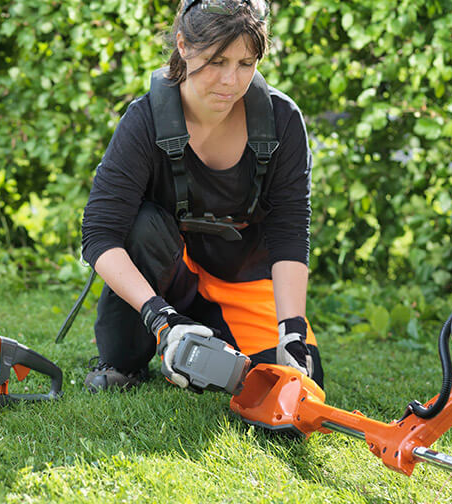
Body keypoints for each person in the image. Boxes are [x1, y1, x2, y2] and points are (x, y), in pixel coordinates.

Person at [80, 0, 324, 392]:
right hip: (164, 279)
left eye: (246, 64)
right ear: (182, 45)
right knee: (141, 226)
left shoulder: (282, 120)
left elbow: (290, 231)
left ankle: (204, 339)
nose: (231, 80)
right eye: (216, 61)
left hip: (241, 279)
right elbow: (98, 235)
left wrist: (292, 330)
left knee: (286, 383)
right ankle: (150, 346)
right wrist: (161, 318)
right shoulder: (143, 120)